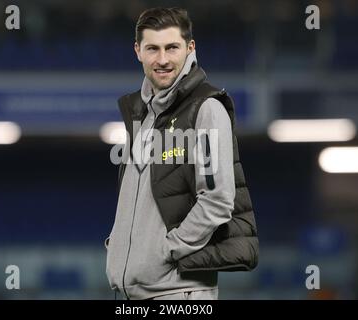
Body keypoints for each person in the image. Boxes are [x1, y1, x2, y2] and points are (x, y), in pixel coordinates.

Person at [105, 7, 258, 300]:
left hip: (178, 293)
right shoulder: (142, 114)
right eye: (152, 48)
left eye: (171, 48)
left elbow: (217, 200)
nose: (162, 60)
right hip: (134, 294)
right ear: (138, 51)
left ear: (190, 49)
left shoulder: (206, 108)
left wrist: (164, 250)